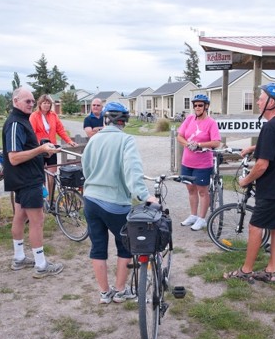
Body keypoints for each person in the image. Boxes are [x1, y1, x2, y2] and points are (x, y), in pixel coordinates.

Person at [82, 102, 158, 304]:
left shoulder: (94, 139)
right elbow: (133, 171)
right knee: (126, 246)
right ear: (124, 121)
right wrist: (144, 195)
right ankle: (120, 290)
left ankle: (104, 293)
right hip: (115, 203)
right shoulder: (126, 140)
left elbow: (86, 168)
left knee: (98, 247)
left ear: (106, 119)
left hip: (91, 199)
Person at [223, 83, 275, 284]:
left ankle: (246, 270)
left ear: (271, 103)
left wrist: (245, 180)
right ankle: (271, 270)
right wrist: (254, 148)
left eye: (261, 98)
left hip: (274, 187)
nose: (257, 101)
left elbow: (262, 166)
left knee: (255, 226)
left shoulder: (271, 126)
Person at [2, 87, 64, 278]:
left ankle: (19, 258)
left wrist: (43, 149)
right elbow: (13, 157)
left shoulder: (22, 120)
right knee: (37, 221)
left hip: (25, 178)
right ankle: (41, 264)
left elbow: (25, 149)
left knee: (20, 217)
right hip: (27, 180)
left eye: (32, 101)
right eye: (26, 101)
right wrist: (39, 150)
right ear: (15, 101)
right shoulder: (15, 124)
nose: (30, 104)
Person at [176, 94, 221, 231]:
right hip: (187, 162)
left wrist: (199, 145)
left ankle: (202, 218)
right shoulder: (189, 119)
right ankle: (193, 215)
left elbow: (216, 142)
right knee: (191, 189)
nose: (197, 107)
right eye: (195, 105)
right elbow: (179, 136)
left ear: (206, 106)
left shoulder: (211, 122)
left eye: (200, 105)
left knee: (203, 191)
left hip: (202, 163)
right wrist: (188, 144)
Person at [29, 94, 79, 195]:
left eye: (48, 103)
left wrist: (69, 141)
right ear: (39, 104)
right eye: (44, 103)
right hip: (40, 149)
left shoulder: (53, 115)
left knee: (52, 175)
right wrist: (36, 146)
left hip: (52, 149)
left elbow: (60, 130)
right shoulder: (34, 116)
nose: (46, 105)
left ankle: (51, 198)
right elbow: (31, 133)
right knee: (41, 175)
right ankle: (42, 198)